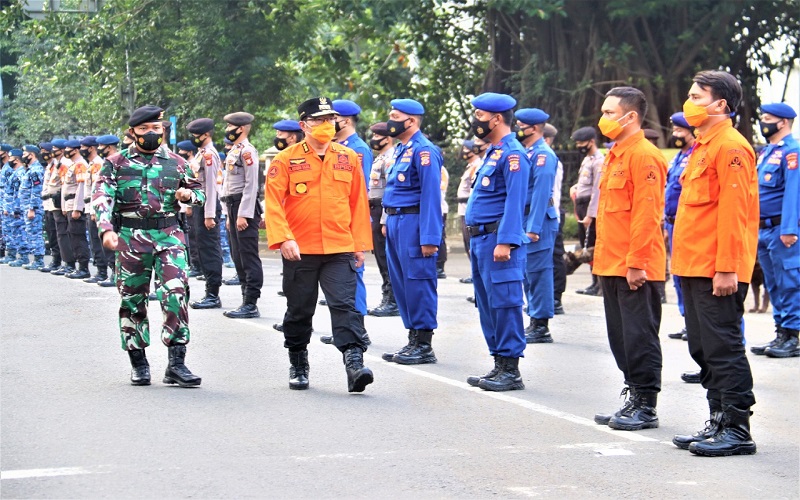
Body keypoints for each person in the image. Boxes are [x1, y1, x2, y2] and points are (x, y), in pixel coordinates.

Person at [670, 70, 759, 456]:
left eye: (697, 97)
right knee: (703, 349)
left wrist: (727, 268)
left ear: (720, 104)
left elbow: (734, 214)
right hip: (692, 264)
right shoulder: (703, 146)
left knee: (723, 347)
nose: (689, 103)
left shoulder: (731, 147)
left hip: (715, 268)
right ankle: (718, 420)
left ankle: (737, 429)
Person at [264, 96, 374, 392]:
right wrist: (283, 238)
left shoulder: (348, 157)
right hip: (300, 249)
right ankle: (298, 362)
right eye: (319, 120)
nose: (327, 125)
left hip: (340, 246)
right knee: (299, 309)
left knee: (345, 305)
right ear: (304, 125)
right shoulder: (285, 159)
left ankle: (354, 363)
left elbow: (358, 203)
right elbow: (273, 203)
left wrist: (359, 244)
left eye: (330, 119)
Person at [93, 104, 205, 387]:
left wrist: (188, 195)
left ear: (163, 130)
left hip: (169, 235)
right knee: (132, 299)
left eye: (156, 128)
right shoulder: (116, 163)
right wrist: (106, 228)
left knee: (176, 293)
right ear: (133, 132)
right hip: (130, 237)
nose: (151, 133)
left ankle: (176, 364)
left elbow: (199, 192)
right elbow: (102, 196)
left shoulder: (176, 162)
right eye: (144, 129)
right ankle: (139, 363)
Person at [592, 86, 667, 432]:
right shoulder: (616, 154)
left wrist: (637, 262)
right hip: (611, 262)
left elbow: (647, 215)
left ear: (631, 116)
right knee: (620, 337)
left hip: (634, 265)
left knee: (639, 337)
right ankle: (634, 394)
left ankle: (646, 404)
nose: (603, 119)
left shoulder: (644, 155)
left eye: (609, 113)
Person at [464, 92, 531, 391]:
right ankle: (498, 362)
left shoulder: (513, 154)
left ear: (497, 119)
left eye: (479, 115)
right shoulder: (494, 152)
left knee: (505, 302)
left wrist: (506, 241)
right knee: (487, 303)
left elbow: (515, 202)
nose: (475, 120)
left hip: (497, 240)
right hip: (481, 240)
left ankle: (510, 369)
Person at [380, 98, 442, 365]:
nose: (390, 121)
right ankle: (413, 338)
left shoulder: (424, 151)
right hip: (396, 221)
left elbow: (431, 196)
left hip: (414, 223)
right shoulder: (400, 150)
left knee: (418, 281)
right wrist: (386, 220)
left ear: (411, 121)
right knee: (402, 282)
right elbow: (393, 189)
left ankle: (424, 343)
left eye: (395, 116)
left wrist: (429, 237)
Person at [749, 102, 799, 358]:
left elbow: (793, 193)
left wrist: (789, 229)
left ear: (783, 122)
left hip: (782, 230)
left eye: (768, 118)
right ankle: (781, 332)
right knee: (773, 283)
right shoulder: (768, 151)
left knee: (788, 282)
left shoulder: (792, 152)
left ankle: (793, 336)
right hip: (763, 229)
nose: (763, 122)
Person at [327, 99, 373, 343]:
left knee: (354, 274)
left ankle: (358, 328)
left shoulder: (358, 150)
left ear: (344, 121)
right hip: (336, 220)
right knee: (341, 279)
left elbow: (360, 193)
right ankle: (346, 328)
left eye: (332, 118)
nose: (327, 123)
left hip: (350, 221)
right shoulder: (335, 147)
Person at [516, 108, 559, 343]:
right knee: (527, 272)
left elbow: (541, 193)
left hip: (538, 220)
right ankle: (534, 318)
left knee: (538, 273)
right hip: (525, 217)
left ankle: (541, 325)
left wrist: (533, 228)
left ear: (533, 129)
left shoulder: (543, 155)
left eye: (521, 126)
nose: (517, 129)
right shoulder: (527, 152)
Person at [220, 112, 263, 318]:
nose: (227, 130)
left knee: (248, 256)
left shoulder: (248, 151)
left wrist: (243, 214)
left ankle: (251, 303)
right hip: (232, 206)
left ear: (242, 128)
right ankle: (245, 300)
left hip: (244, 207)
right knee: (237, 256)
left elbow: (251, 185)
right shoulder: (235, 150)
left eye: (231, 127)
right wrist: (229, 215)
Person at [186, 118, 224, 310]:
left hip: (207, 205)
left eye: (196, 135)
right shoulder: (202, 154)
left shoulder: (209, 155)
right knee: (202, 247)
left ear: (206, 134)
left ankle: (213, 294)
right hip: (199, 204)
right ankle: (209, 291)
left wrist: (209, 214)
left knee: (209, 249)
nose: (194, 138)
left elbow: (210, 186)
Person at [664, 112, 695, 342]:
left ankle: (694, 323)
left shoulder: (695, 155)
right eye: (674, 130)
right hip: (672, 223)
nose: (675, 134)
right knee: (678, 275)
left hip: (688, 224)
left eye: (680, 131)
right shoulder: (677, 157)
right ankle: (688, 321)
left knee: (689, 275)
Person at [366, 121, 400, 317]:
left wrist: (385, 220)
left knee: (385, 258)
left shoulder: (390, 159)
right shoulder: (380, 158)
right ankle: (388, 297)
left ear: (388, 139)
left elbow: (391, 191)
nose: (374, 139)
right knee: (380, 256)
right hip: (375, 210)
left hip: (382, 210)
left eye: (377, 136)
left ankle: (392, 300)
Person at [569, 126, 604, 295]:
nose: (579, 146)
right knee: (586, 245)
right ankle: (593, 282)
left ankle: (599, 283)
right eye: (577, 143)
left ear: (591, 141)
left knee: (593, 246)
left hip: (590, 206)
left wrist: (591, 214)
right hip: (582, 204)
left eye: (582, 143)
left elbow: (597, 190)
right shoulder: (587, 159)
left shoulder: (599, 161)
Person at [542, 123, 567, 315]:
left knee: (555, 257)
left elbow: (553, 193)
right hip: (543, 214)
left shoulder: (551, 160)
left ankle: (556, 298)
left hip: (551, 214)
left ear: (547, 139)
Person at [80, 136, 110, 283]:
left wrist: (94, 210)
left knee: (98, 241)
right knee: (93, 240)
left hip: (95, 208)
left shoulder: (98, 164)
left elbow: (98, 189)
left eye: (83, 147)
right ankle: (100, 271)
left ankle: (103, 271)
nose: (81, 150)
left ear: (91, 148)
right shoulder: (92, 164)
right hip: (89, 207)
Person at [60, 139, 91, 279]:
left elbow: (81, 187)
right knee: (72, 236)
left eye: (68, 149)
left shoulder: (80, 164)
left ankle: (84, 268)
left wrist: (77, 208)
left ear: (76, 150)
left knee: (78, 237)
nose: (66, 151)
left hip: (75, 205)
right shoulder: (73, 164)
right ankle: (78, 267)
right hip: (70, 204)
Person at [44, 139, 74, 275]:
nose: (52, 151)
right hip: (53, 203)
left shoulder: (64, 164)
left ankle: (68, 263)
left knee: (62, 234)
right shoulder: (56, 163)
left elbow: (64, 185)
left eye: (55, 148)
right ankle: (57, 261)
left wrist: (63, 205)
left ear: (62, 150)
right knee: (54, 234)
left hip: (60, 203)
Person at [94, 135, 120, 287]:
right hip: (104, 209)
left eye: (101, 146)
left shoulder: (118, 162)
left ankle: (116, 274)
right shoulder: (106, 162)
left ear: (109, 147)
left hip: (114, 210)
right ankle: (113, 273)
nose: (98, 149)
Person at [456, 139, 481, 285]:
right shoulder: (470, 167)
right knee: (467, 243)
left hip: (469, 209)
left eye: (467, 149)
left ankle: (477, 273)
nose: (464, 152)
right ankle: (474, 272)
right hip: (463, 209)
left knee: (471, 243)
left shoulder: (476, 166)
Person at [19, 145, 46, 270]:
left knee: (35, 233)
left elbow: (36, 191)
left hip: (33, 208)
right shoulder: (30, 169)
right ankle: (36, 259)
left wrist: (32, 208)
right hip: (26, 207)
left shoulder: (36, 170)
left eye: (25, 154)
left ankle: (39, 260)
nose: (23, 157)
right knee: (30, 233)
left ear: (32, 155)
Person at [4, 149, 28, 267]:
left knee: (20, 232)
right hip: (12, 207)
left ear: (17, 160)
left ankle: (23, 257)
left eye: (11, 158)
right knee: (13, 232)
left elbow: (20, 193)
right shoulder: (15, 172)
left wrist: (16, 208)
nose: (9, 160)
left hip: (17, 208)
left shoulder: (20, 173)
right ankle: (14, 255)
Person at [437, 164, 449, 279]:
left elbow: (441, 188)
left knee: (440, 237)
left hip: (439, 209)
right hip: (432, 209)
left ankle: (440, 267)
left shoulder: (441, 170)